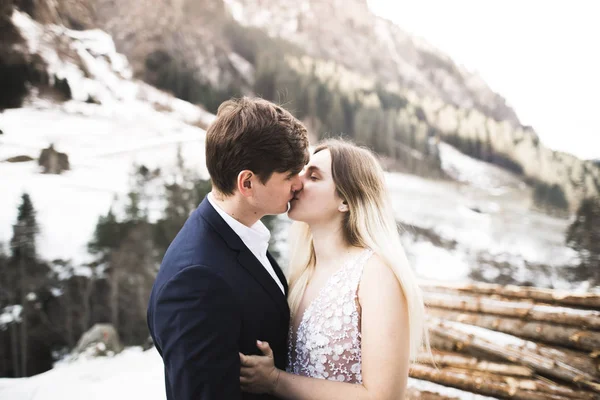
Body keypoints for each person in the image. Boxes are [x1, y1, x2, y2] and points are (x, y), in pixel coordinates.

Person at [146, 97, 310, 400]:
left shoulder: (240, 234)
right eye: (289, 176)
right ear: (247, 183)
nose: (298, 184)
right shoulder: (195, 282)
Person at [239, 139, 429, 399]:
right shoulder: (303, 271)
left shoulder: (375, 274)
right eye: (301, 171)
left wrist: (275, 381)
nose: (297, 182)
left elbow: (382, 396)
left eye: (314, 176)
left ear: (346, 201)